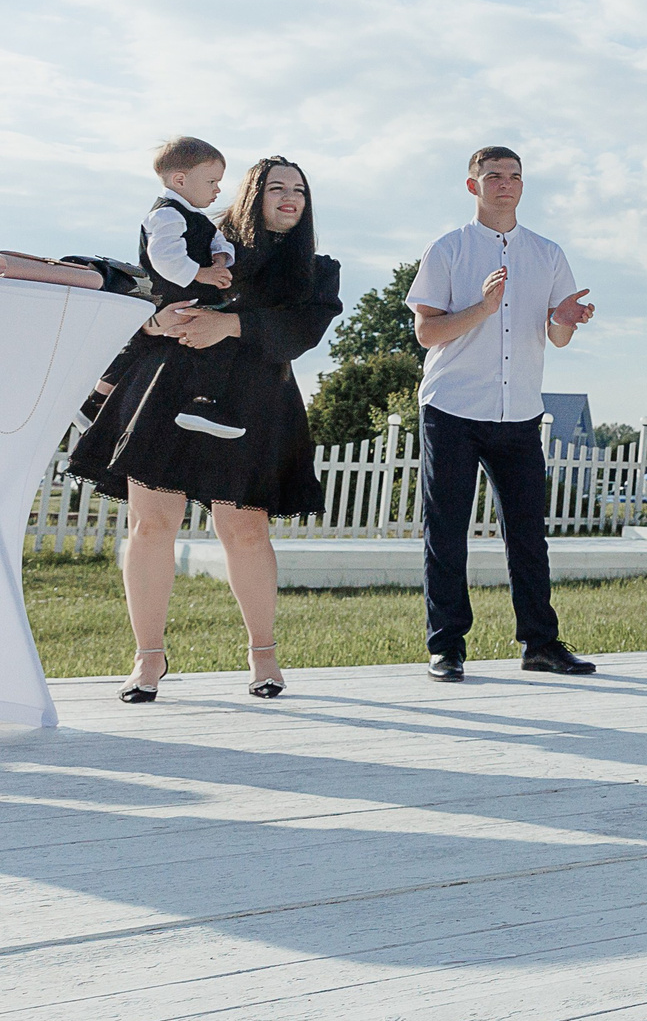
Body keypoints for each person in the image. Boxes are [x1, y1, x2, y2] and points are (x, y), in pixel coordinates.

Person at [67, 157, 341, 701]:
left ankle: (263, 657)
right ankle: (148, 660)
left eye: (299, 191)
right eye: (276, 188)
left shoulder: (317, 267)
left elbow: (303, 330)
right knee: (152, 526)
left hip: (255, 402)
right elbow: (148, 295)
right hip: (169, 386)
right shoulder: (200, 239)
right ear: (251, 195)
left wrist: (230, 324)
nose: (289, 198)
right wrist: (153, 322)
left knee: (245, 531)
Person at [406, 146, 599, 683]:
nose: (505, 185)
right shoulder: (448, 249)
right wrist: (483, 310)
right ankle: (446, 647)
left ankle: (540, 644)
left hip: (518, 413)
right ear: (473, 186)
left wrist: (565, 318)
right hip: (452, 408)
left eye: (514, 177)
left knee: (528, 534)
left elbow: (557, 337)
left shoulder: (547, 253)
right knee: (446, 531)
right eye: (493, 177)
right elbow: (427, 332)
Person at [79, 136, 240, 440]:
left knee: (143, 348)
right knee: (204, 344)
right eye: (212, 181)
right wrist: (203, 274)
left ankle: (95, 403)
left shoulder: (195, 217)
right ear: (180, 180)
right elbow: (164, 258)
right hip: (172, 294)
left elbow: (217, 240)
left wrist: (221, 257)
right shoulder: (166, 214)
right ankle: (198, 402)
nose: (218, 188)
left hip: (183, 295)